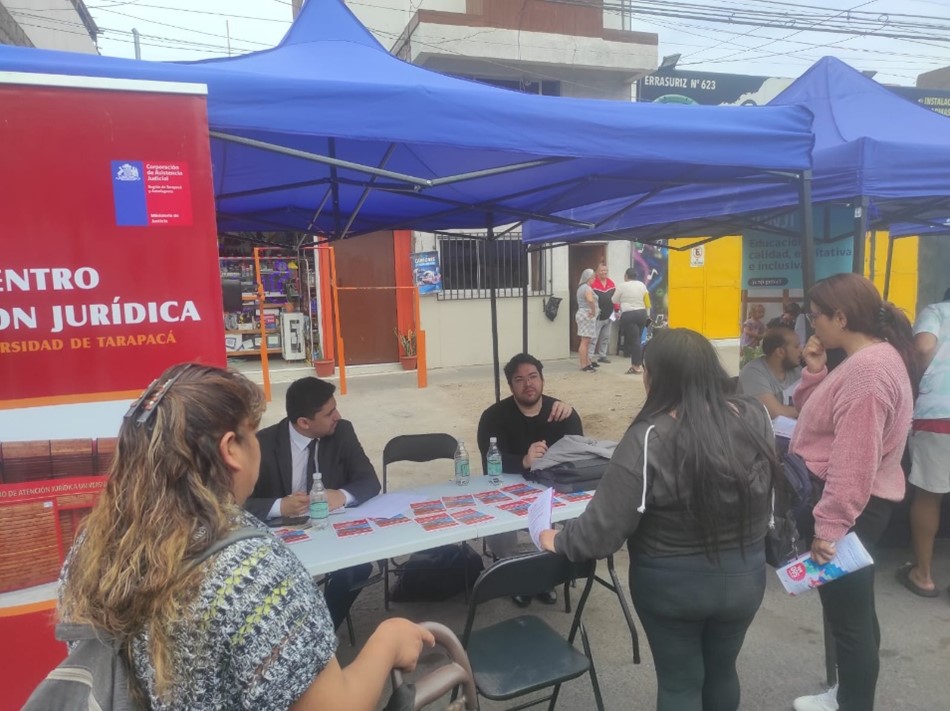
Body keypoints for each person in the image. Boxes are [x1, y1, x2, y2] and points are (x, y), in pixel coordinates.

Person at [56, 363, 433, 710]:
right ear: (231, 450)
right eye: (251, 432)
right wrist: (387, 640)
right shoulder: (251, 566)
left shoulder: (92, 543)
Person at [538, 329, 776, 711]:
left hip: (671, 586)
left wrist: (556, 539)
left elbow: (601, 532)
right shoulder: (754, 416)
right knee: (722, 671)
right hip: (745, 574)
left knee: (681, 685)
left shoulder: (648, 436)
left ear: (657, 376)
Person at [789, 273, 915, 711]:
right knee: (855, 613)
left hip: (850, 507)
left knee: (850, 622)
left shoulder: (869, 371)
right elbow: (816, 414)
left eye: (817, 315)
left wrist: (831, 526)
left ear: (840, 317)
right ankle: (847, 695)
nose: (812, 323)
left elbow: (854, 457)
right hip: (856, 504)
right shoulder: (869, 360)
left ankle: (852, 703)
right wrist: (815, 371)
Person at [246, 376, 381, 631]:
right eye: (329, 413)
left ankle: (319, 632)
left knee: (358, 565)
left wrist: (340, 496)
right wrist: (279, 506)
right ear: (304, 423)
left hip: (330, 530)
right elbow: (232, 504)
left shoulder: (342, 431)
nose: (337, 416)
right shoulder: (262, 444)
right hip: (280, 537)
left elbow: (369, 481)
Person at [477, 353, 582, 606]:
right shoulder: (494, 416)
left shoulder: (560, 412)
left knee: (573, 512)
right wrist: (523, 461)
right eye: (519, 379)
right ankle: (512, 573)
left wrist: (572, 414)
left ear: (543, 379)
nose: (528, 384)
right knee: (496, 515)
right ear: (511, 386)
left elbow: (579, 455)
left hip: (550, 488)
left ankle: (545, 575)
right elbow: (491, 464)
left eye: (533, 376)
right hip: (508, 488)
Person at [896, 286, 950, 598]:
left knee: (929, 495)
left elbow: (924, 345)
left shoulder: (937, 311)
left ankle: (923, 575)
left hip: (939, 414)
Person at [738, 327, 803, 419]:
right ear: (780, 352)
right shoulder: (753, 372)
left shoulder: (796, 370)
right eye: (796, 347)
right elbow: (774, 413)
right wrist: (806, 409)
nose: (801, 350)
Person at [613, 266, 651, 374]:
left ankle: (636, 366)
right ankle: (638, 364)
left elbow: (614, 299)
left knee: (634, 341)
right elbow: (647, 301)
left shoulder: (622, 286)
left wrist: (623, 299)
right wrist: (647, 314)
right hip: (642, 313)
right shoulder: (642, 285)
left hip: (629, 314)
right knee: (638, 339)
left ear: (626, 276)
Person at [589, 263, 617, 365]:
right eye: (602, 270)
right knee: (593, 337)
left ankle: (602, 356)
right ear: (597, 272)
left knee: (606, 336)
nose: (604, 272)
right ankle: (589, 357)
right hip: (597, 316)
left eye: (606, 270)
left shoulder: (611, 283)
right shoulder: (593, 283)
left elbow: (615, 298)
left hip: (610, 314)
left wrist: (617, 310)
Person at [575, 268, 599, 372]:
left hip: (582, 313)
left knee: (586, 340)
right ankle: (584, 364)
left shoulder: (581, 288)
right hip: (586, 314)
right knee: (585, 341)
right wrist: (593, 311)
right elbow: (590, 300)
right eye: (593, 277)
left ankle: (587, 362)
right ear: (588, 277)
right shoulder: (587, 288)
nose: (594, 279)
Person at [740, 303, 767, 368]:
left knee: (752, 354)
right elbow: (746, 331)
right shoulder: (749, 322)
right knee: (745, 353)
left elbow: (762, 332)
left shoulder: (760, 324)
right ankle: (743, 365)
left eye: (762, 312)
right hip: (747, 341)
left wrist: (762, 336)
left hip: (754, 342)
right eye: (759, 312)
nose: (761, 314)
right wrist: (757, 335)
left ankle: (750, 365)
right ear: (752, 313)